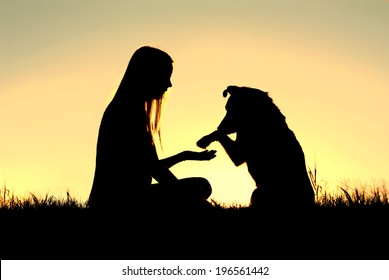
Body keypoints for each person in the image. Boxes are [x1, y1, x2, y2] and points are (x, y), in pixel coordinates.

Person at [88, 46, 216, 211]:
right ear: (149, 75)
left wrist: (184, 156)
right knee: (197, 188)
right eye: (166, 76)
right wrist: (187, 198)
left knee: (201, 185)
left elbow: (145, 165)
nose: (169, 84)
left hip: (119, 197)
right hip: (118, 202)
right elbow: (155, 169)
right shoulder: (127, 111)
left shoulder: (126, 108)